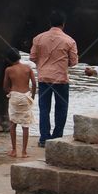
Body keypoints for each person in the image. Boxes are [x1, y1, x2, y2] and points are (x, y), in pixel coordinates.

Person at [30, 11, 78, 147]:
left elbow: (32, 57)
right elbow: (74, 62)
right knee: (61, 109)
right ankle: (57, 138)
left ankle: (44, 138)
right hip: (61, 79)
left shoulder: (38, 38)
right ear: (63, 24)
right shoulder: (69, 40)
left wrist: (43, 64)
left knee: (44, 109)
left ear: (49, 23)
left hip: (44, 78)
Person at [3, 48, 37, 158]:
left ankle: (14, 150)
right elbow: (34, 83)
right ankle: (24, 152)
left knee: (13, 123)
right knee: (25, 125)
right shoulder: (28, 68)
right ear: (19, 57)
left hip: (15, 97)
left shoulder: (9, 70)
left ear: (8, 59)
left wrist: (11, 92)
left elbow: (5, 86)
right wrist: (32, 96)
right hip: (26, 96)